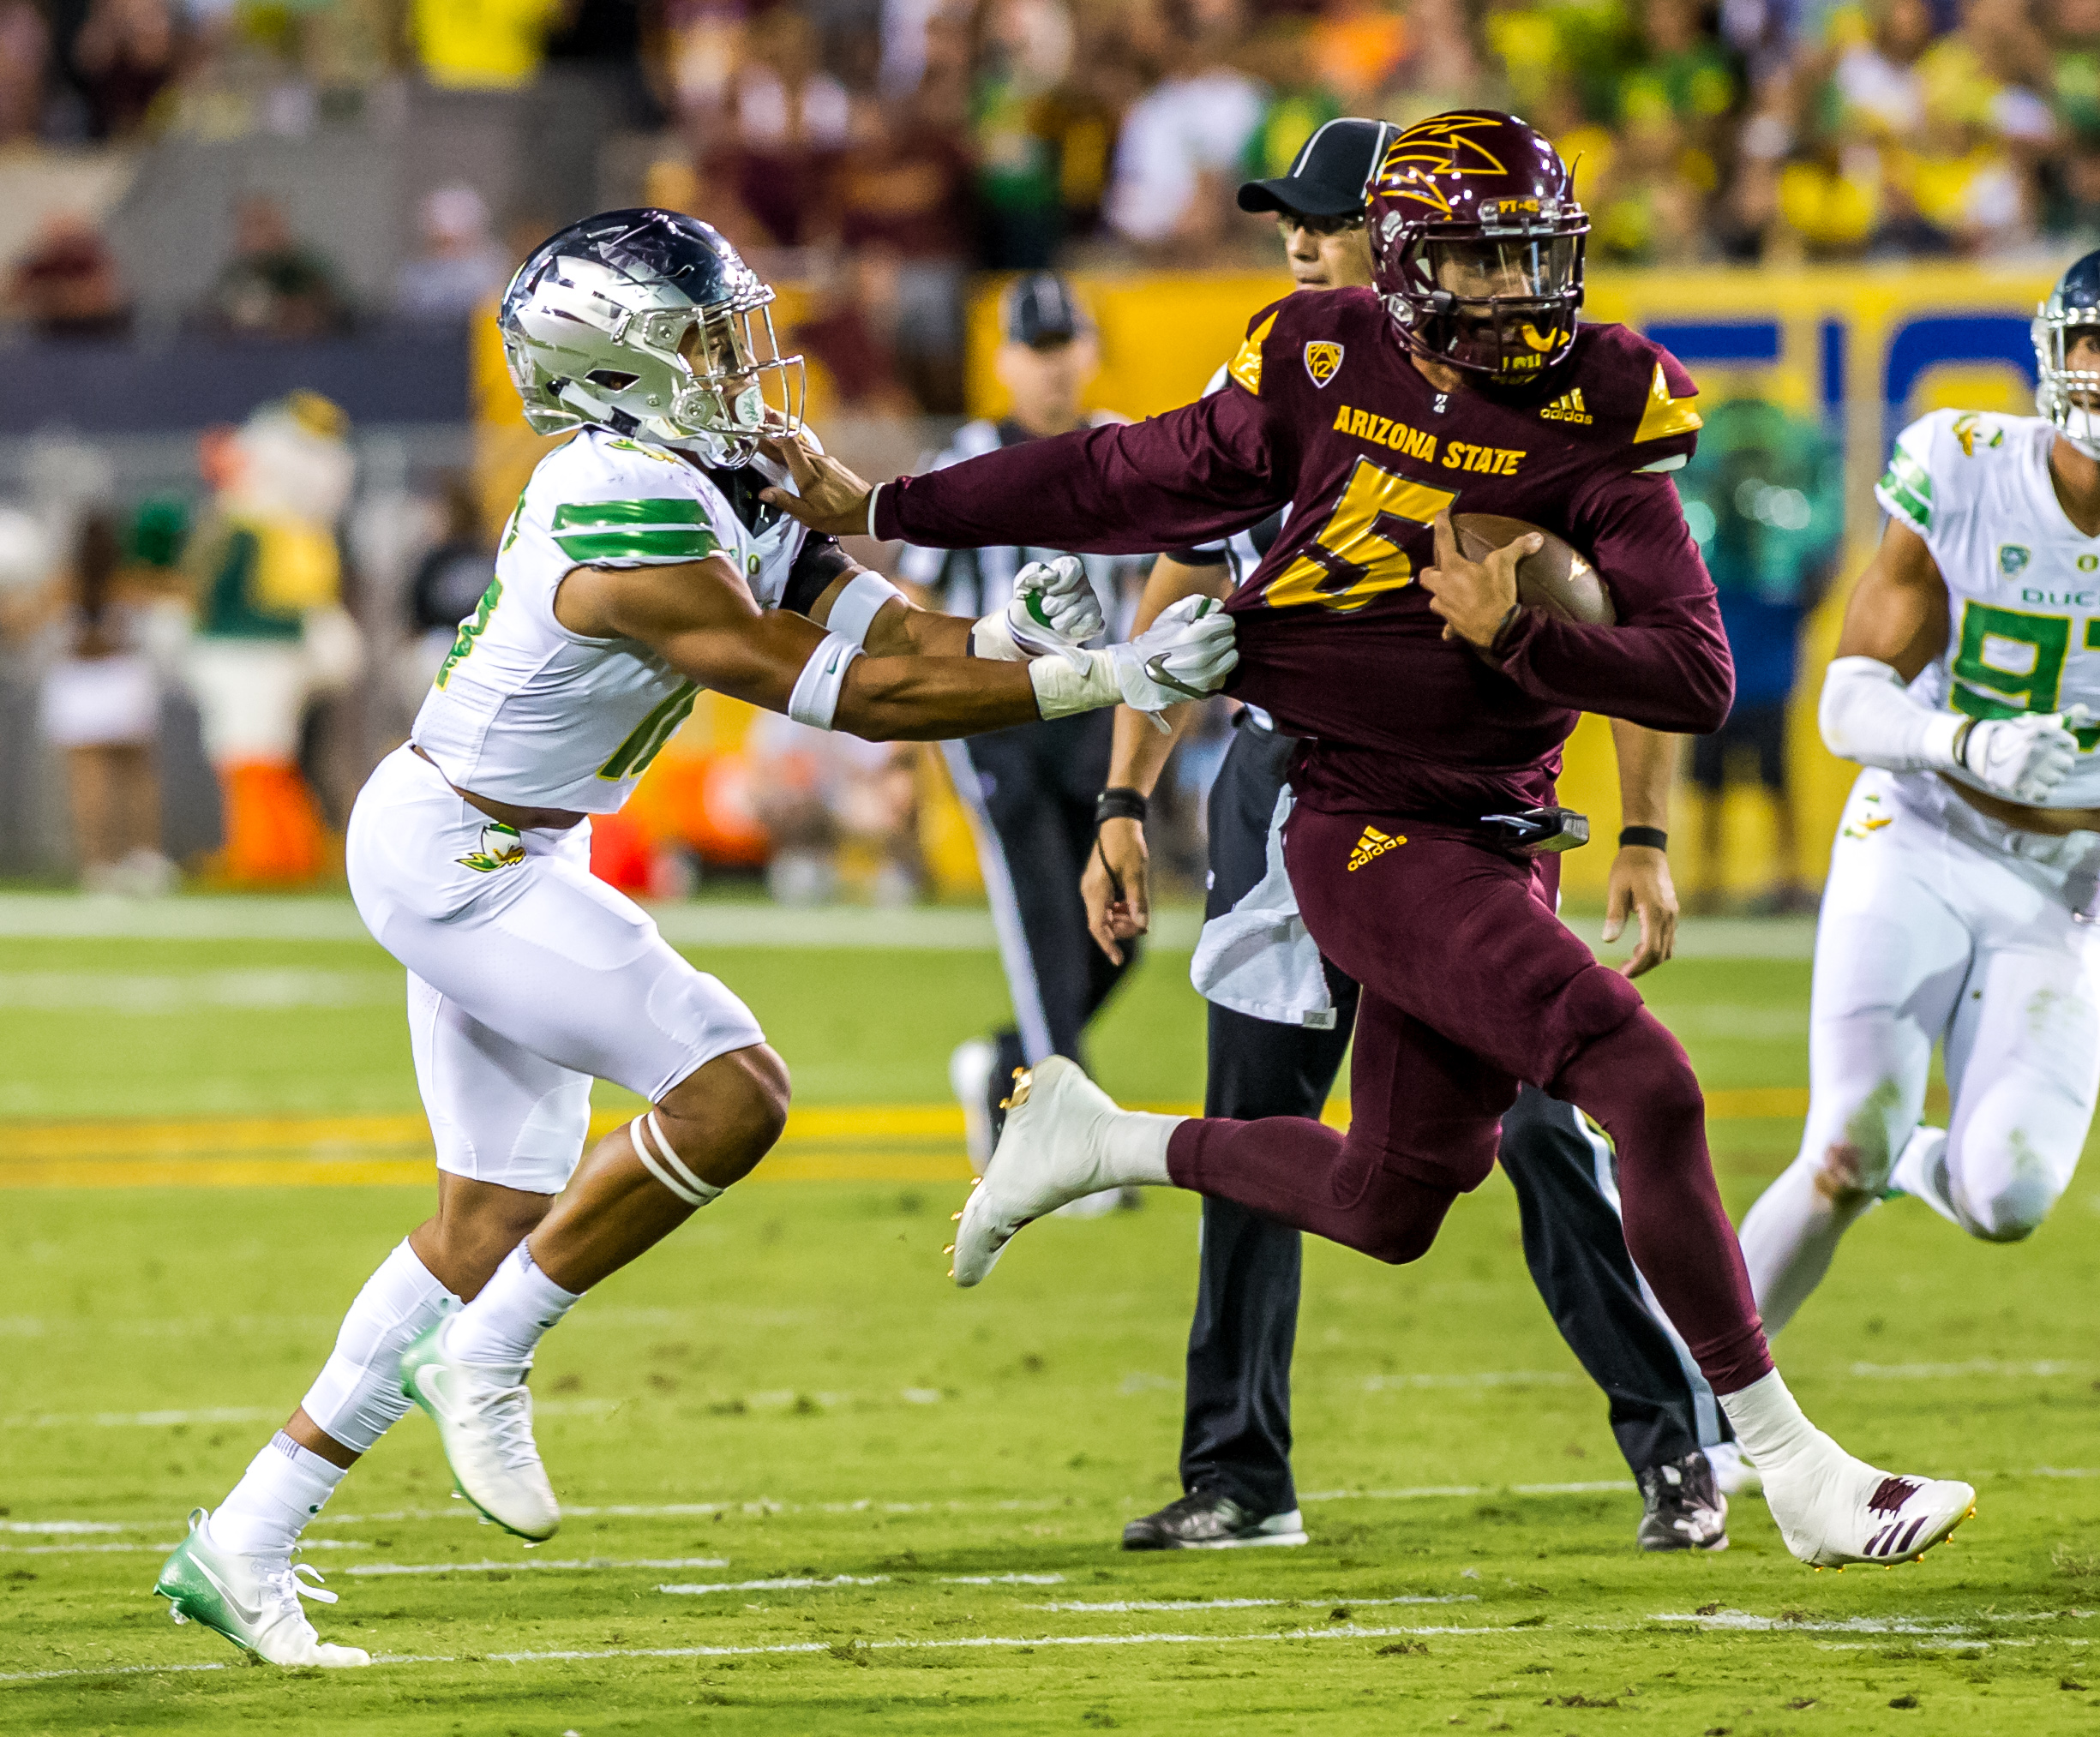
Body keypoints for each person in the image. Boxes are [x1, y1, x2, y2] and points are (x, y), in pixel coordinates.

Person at [773, 111, 1978, 1573]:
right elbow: (1110, 477)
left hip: (1500, 826)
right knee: (1644, 1084)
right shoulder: (1318, 360)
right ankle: (1790, 1467)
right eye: (1480, 260)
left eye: (1533, 256)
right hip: (1357, 821)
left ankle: (1097, 1138)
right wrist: (886, 501)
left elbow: (1694, 671)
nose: (1517, 289)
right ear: (1407, 264)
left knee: (1390, 1196)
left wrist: (1526, 637)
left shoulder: (1601, 401)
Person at [153, 209, 1238, 1670]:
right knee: (734, 1089)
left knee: (484, 1219)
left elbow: (890, 634)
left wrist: (1023, 644)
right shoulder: (616, 499)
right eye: (706, 338)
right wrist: (1104, 677)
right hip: (461, 857)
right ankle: (488, 1348)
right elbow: (849, 695)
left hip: (504, 840)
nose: (741, 360)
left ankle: (246, 1535)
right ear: (618, 367)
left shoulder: (704, 468)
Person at [1086, 117, 1735, 1554]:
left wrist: (1642, 828)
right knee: (1258, 1117)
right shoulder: (1275, 379)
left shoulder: (1517, 399)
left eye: (1326, 222)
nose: (1300, 246)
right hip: (1282, 786)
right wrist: (1125, 797)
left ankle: (1676, 1439)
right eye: (1290, 224)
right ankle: (1239, 1471)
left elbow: (1621, 633)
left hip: (1453, 804)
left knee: (1546, 1124)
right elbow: (1178, 600)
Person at [1737, 252, 2100, 1337]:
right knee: (1844, 1143)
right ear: (2058, 351)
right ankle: (1690, 1409)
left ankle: (1910, 1160)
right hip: (1927, 830)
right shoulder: (1966, 464)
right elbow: (1847, 703)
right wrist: (1968, 742)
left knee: (2006, 1196)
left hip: (2073, 890)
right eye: (2097, 345)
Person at [902, 273, 1153, 1203]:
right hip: (995, 716)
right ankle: (1069, 1147)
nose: (1053, 368)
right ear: (1005, 360)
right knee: (1045, 920)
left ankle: (1005, 1065)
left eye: (1064, 345)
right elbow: (914, 597)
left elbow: (1157, 585)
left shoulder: (1125, 451)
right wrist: (918, 727)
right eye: (1035, 349)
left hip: (1097, 715)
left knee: (1116, 927)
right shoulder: (965, 459)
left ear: (1091, 350)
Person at [1675, 397, 1844, 913]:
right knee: (1713, 785)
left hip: (1756, 683)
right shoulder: (1720, 580)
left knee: (1770, 782)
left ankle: (1781, 878)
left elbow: (1818, 580)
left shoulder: (1765, 576)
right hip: (1725, 684)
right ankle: (1710, 881)